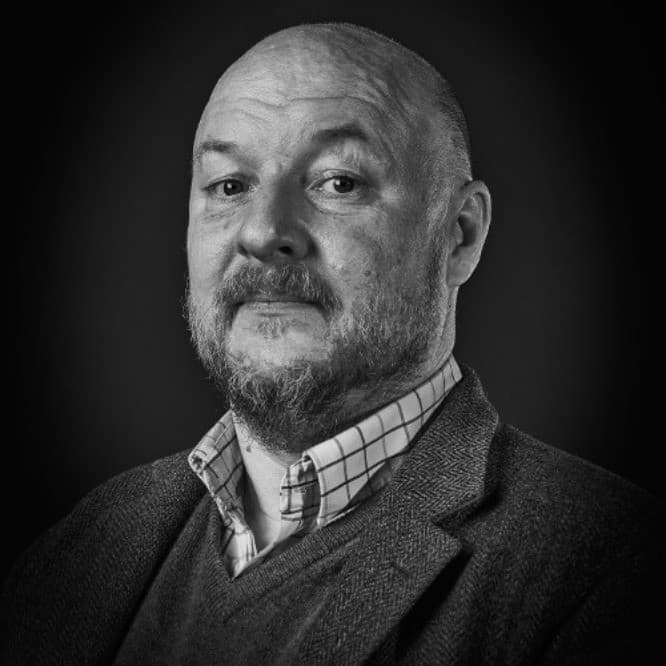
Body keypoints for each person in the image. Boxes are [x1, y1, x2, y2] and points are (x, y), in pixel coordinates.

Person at [1, 22, 662, 665]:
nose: (263, 232)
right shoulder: (81, 549)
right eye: (230, 186)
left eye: (339, 182)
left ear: (459, 234)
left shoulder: (612, 570)